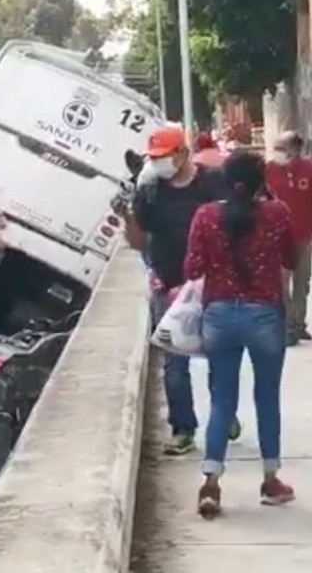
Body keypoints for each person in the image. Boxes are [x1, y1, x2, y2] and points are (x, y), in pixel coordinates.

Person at [184, 151, 296, 518]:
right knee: (266, 398)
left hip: (218, 317)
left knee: (221, 401)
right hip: (265, 316)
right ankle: (270, 480)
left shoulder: (205, 216)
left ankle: (211, 482)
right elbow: (291, 260)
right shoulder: (276, 214)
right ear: (260, 181)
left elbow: (192, 267)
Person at [128, 125, 241, 455]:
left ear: (182, 153)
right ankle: (183, 427)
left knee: (220, 355)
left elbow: (233, 227)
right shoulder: (151, 191)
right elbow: (138, 240)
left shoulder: (213, 182)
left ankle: (225, 413)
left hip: (213, 282)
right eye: (154, 159)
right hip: (170, 284)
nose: (158, 164)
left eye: (163, 157)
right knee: (174, 362)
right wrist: (134, 202)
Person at [265, 130, 312, 345]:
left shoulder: (309, 170)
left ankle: (299, 324)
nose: (278, 152)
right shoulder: (268, 171)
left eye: (282, 148)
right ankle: (286, 328)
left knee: (302, 282)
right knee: (282, 282)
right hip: (278, 237)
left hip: (305, 236)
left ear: (296, 149)